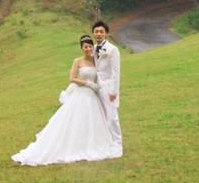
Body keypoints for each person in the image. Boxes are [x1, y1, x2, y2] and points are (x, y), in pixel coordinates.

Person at [11, 35, 119, 165]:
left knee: (90, 122)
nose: (88, 49)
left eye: (90, 46)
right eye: (86, 47)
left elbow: (103, 73)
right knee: (75, 121)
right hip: (81, 94)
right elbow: (72, 79)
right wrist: (88, 84)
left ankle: (89, 145)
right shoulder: (77, 61)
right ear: (81, 48)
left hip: (93, 97)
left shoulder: (96, 60)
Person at [92, 19, 123, 156]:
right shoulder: (92, 48)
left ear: (106, 34)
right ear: (93, 33)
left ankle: (117, 143)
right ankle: (106, 142)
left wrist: (114, 91)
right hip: (96, 88)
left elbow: (116, 72)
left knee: (112, 117)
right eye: (96, 31)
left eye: (101, 32)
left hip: (109, 88)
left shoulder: (112, 49)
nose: (99, 34)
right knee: (101, 116)